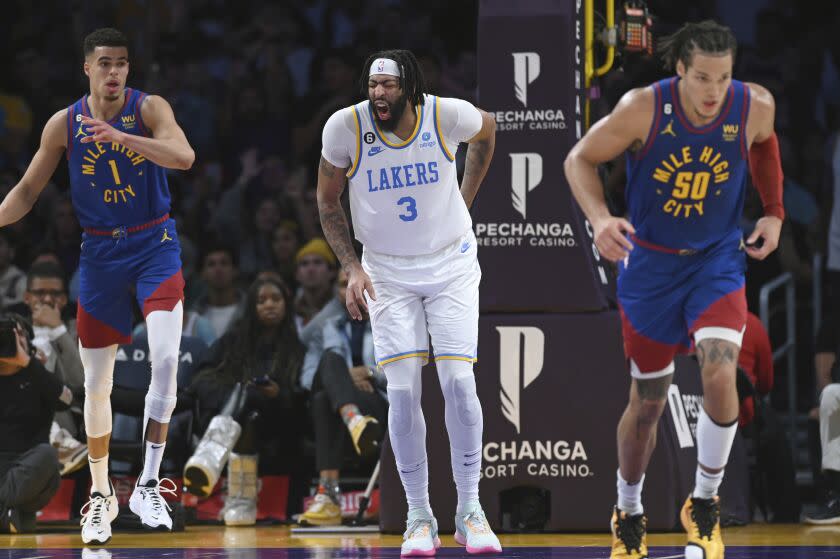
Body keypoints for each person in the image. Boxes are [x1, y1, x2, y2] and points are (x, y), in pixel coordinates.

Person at [564, 21, 783, 559]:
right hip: (651, 268)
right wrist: (599, 219)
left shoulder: (752, 105)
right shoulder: (644, 108)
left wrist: (774, 213)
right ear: (680, 70)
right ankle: (629, 509)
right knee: (648, 404)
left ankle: (703, 505)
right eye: (703, 77)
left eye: (723, 77)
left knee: (719, 368)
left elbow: (765, 146)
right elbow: (579, 160)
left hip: (716, 262)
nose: (713, 91)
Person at [0, 28, 194, 544]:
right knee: (97, 384)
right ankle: (102, 495)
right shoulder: (63, 124)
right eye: (104, 63)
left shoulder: (148, 108)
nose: (114, 72)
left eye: (122, 63)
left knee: (168, 358)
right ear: (87, 68)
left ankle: (149, 483)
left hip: (155, 244)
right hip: (101, 253)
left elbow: (184, 157)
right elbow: (25, 192)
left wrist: (125, 139)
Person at [318, 49, 498, 555]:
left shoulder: (445, 115)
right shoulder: (345, 128)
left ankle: (469, 510)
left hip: (451, 264)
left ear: (409, 88)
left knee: (459, 383)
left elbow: (489, 129)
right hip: (387, 272)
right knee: (402, 392)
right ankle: (419, 516)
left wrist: (465, 197)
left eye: (389, 86)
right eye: (373, 85)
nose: (378, 94)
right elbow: (327, 202)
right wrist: (351, 267)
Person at [182, 276, 307, 525]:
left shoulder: (296, 348)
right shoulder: (234, 340)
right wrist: (235, 389)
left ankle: (212, 455)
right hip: (243, 418)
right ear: (252, 307)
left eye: (275, 299)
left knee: (251, 396)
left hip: (279, 423)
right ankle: (241, 502)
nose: (269, 305)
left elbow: (301, 397)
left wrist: (277, 393)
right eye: (261, 301)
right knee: (246, 400)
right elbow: (202, 377)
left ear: (286, 304)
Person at [299, 269, 387, 526]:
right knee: (329, 361)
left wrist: (371, 373)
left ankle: (327, 497)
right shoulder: (327, 328)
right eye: (342, 285)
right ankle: (352, 419)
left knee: (325, 400)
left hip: (375, 404)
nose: (350, 288)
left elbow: (404, 377)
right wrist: (345, 378)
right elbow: (307, 379)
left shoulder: (389, 323)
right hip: (345, 408)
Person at [0, 313, 74, 534]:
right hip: (18, 493)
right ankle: (8, 513)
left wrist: (28, 364)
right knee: (24, 522)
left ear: (27, 342)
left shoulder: (37, 373)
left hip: (29, 468)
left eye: (17, 334)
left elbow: (66, 400)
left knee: (48, 456)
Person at [22, 261, 87, 475]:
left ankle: (60, 441)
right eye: (40, 293)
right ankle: (60, 444)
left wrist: (58, 330)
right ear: (27, 297)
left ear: (65, 299)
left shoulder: (79, 331)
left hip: (63, 412)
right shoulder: (12, 331)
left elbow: (80, 383)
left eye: (55, 294)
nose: (48, 300)